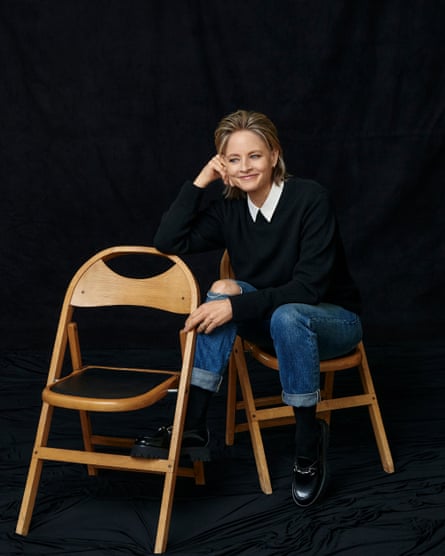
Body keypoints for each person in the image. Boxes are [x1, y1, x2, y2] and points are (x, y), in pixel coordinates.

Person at [131, 109, 362, 507]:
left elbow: (307, 288)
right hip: (271, 319)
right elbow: (168, 240)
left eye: (254, 156)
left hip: (331, 319)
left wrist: (236, 310)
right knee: (222, 289)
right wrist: (201, 180)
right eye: (233, 159)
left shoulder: (310, 198)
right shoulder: (230, 208)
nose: (245, 167)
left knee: (281, 312)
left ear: (274, 155)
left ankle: (307, 442)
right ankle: (196, 424)